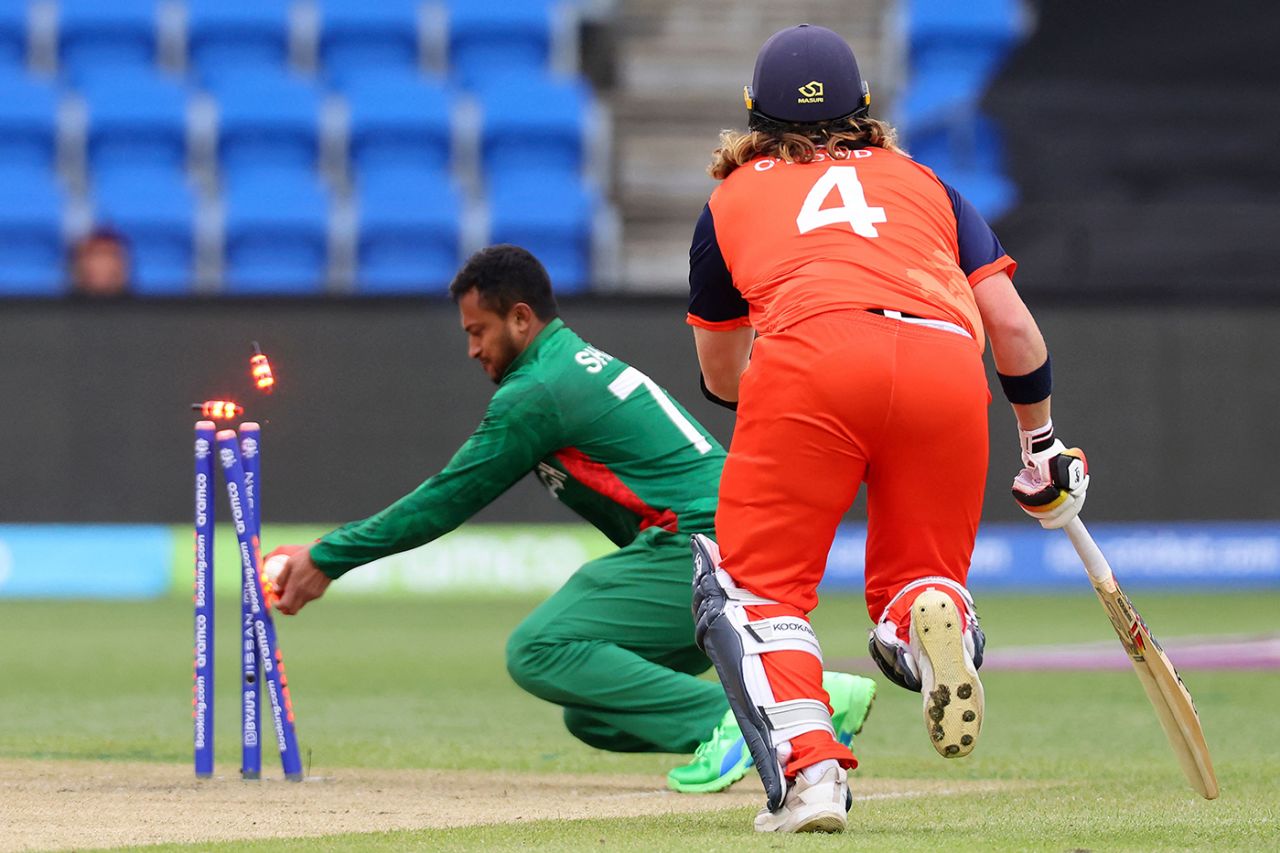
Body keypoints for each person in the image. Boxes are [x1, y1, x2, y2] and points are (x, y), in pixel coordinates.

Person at [267, 244, 876, 791]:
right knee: (595, 713)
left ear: (521, 318)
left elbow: (446, 499)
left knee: (540, 648)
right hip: (731, 540)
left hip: (702, 544)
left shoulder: (538, 391)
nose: (473, 348)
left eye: (479, 331)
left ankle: (763, 722)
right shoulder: (570, 365)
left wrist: (328, 556)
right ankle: (805, 707)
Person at [684, 25, 1089, 833]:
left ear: (755, 117)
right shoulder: (927, 184)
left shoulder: (730, 198)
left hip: (812, 360)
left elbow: (723, 375)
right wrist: (1042, 447)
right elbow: (1013, 330)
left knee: (755, 590)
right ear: (864, 110)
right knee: (916, 579)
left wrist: (800, 418)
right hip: (945, 363)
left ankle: (814, 776)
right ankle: (931, 613)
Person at [69, 227, 131, 297]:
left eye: (108, 254)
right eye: (92, 254)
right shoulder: (58, 306)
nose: (101, 264)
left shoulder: (141, 306)